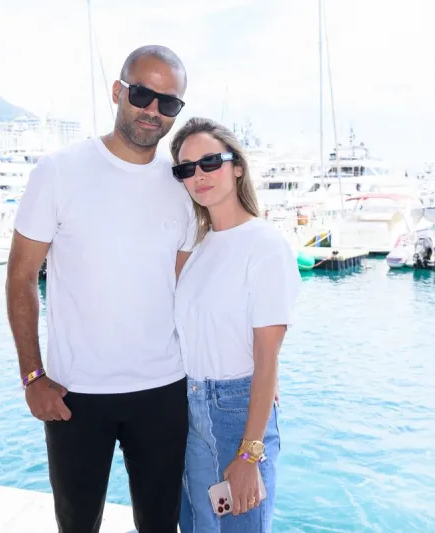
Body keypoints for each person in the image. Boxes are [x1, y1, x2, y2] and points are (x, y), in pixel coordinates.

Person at [6, 45, 195, 533]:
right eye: (142, 94)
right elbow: (21, 276)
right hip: (76, 394)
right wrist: (32, 377)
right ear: (118, 91)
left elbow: (191, 293)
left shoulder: (183, 186)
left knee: (161, 525)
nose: (153, 110)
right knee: (77, 525)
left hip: (164, 391)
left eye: (168, 103)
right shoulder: (58, 171)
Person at [169, 117, 300, 533]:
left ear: (238, 167)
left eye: (210, 162)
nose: (199, 175)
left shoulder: (265, 245)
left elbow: (267, 358)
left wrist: (249, 454)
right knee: (196, 526)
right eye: (186, 168)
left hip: (236, 413)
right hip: (191, 410)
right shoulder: (199, 248)